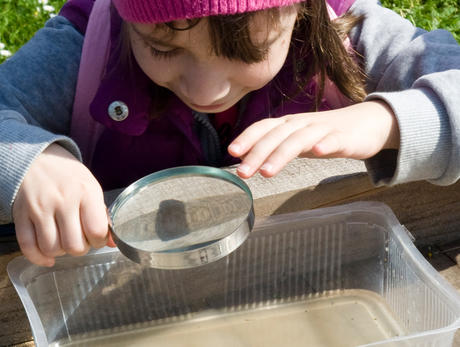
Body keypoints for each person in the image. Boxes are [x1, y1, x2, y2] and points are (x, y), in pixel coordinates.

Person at [0, 0, 459, 267]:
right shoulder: (87, 42)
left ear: (299, 10)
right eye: (161, 46)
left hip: (311, 267)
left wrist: (386, 121)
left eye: (248, 49)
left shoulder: (350, 29)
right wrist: (30, 162)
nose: (207, 89)